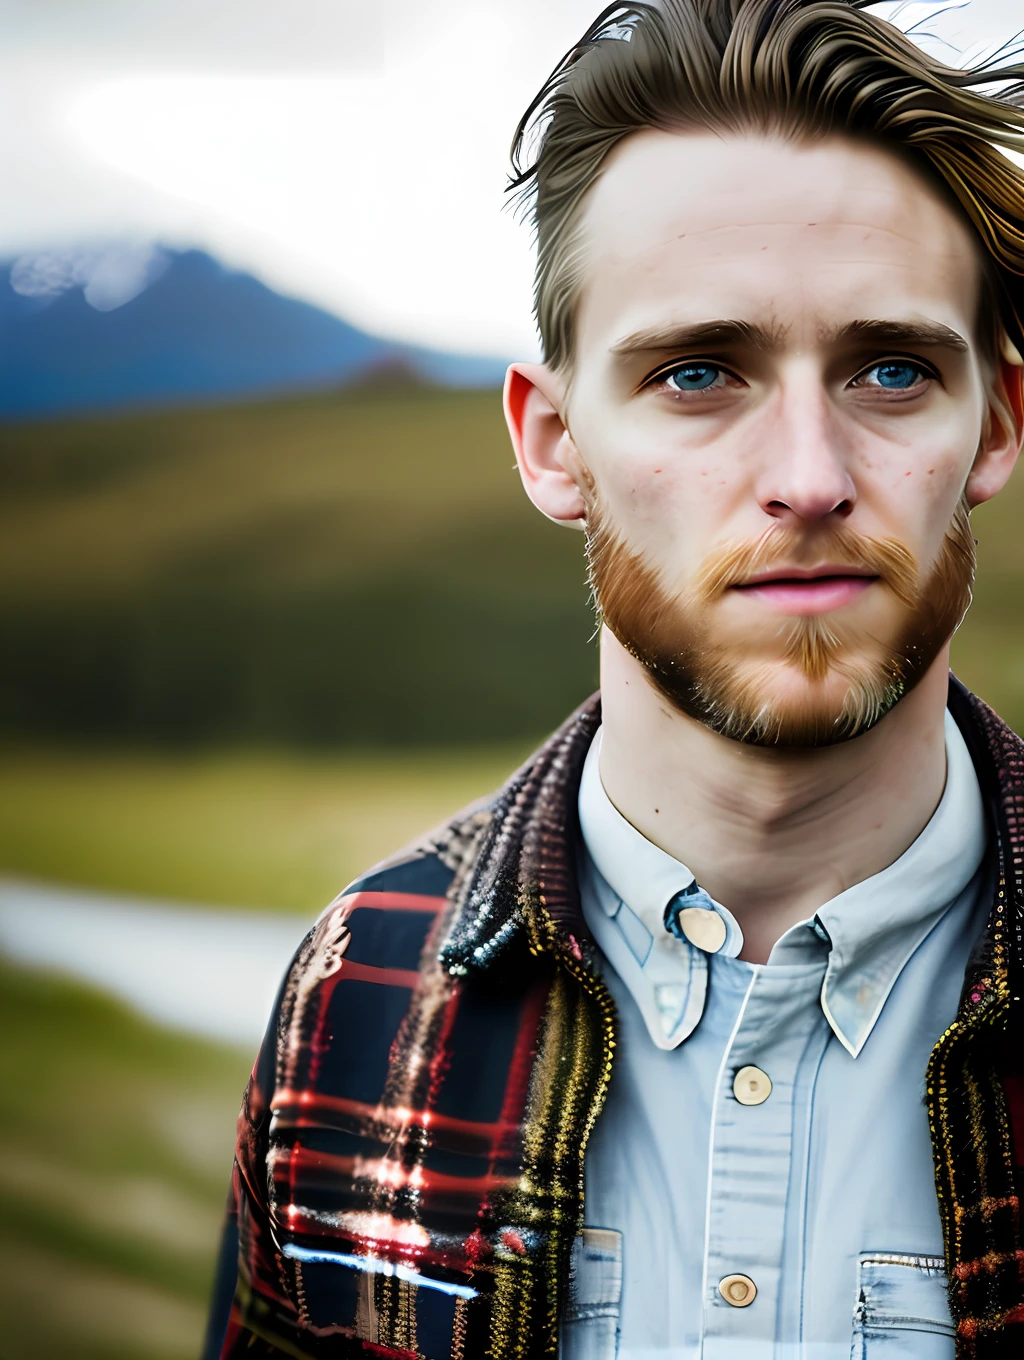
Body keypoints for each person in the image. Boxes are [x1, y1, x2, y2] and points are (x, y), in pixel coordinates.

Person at [204, 2, 1024, 1356]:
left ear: (991, 425)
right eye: (698, 373)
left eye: (892, 368)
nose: (810, 479)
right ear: (553, 444)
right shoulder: (356, 993)